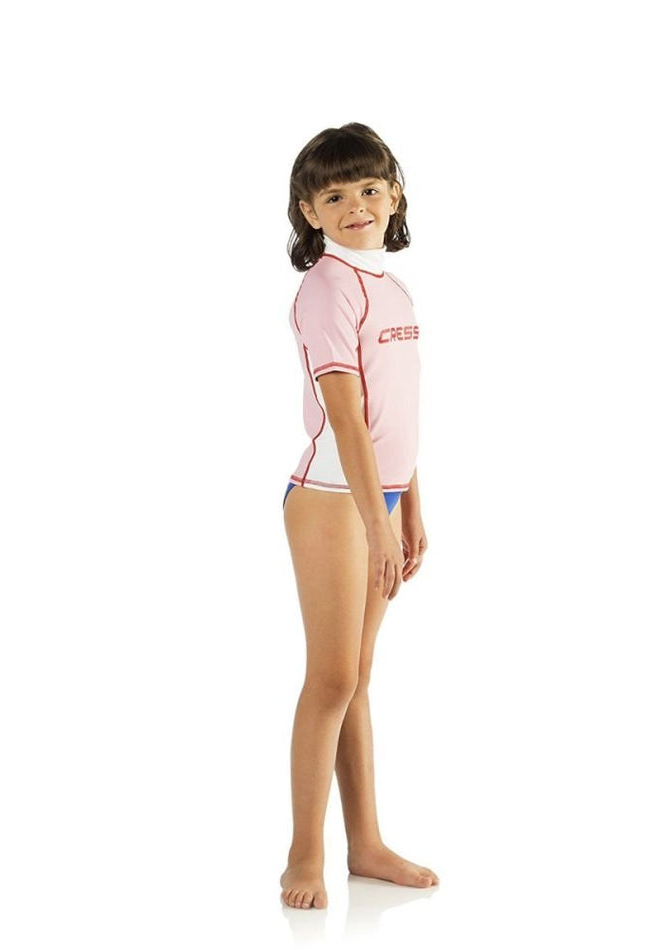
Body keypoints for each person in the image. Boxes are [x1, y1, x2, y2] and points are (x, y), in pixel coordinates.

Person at [279, 123, 439, 910]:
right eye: (335, 195)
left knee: (359, 677)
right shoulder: (328, 288)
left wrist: (410, 505)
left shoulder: (393, 289)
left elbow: (395, 411)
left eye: (370, 189)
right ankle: (303, 854)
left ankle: (365, 842)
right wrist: (375, 521)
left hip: (379, 497)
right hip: (332, 500)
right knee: (333, 676)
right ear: (310, 212)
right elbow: (346, 418)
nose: (356, 206)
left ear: (395, 196)